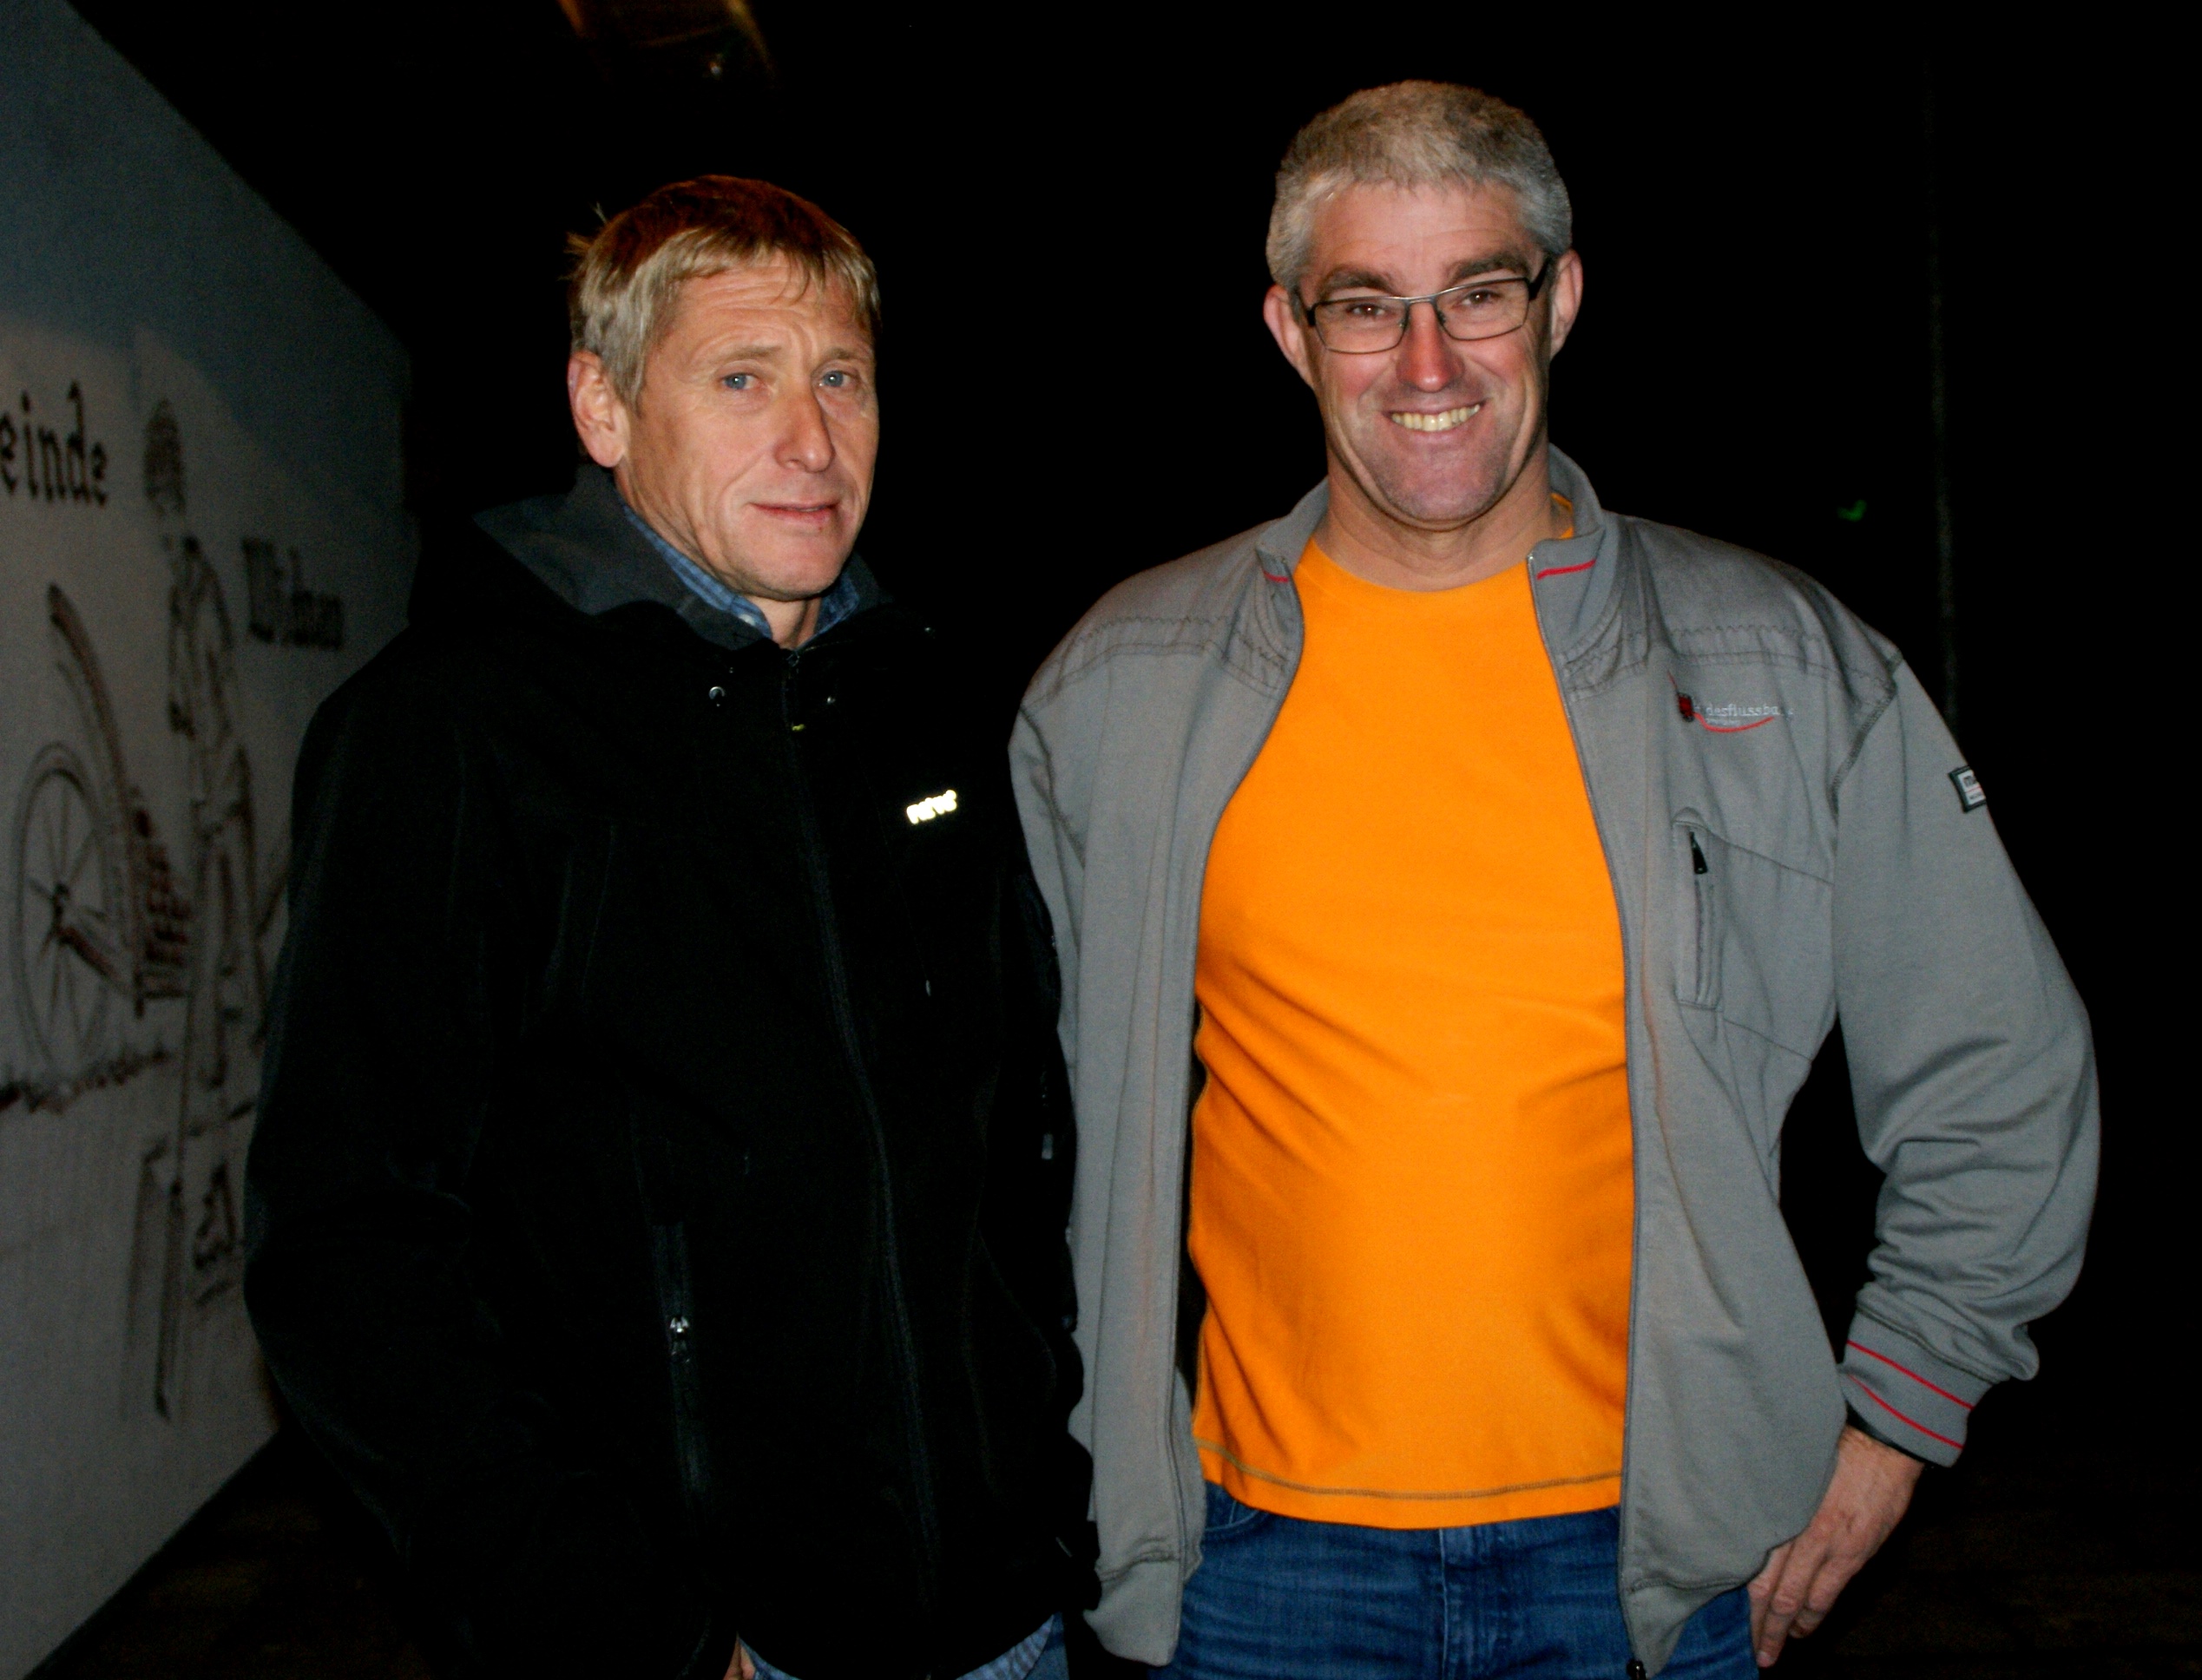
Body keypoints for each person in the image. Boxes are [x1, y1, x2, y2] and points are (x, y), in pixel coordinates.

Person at [1010, 84, 2099, 1678]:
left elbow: (2000, 1071)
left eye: (1479, 293)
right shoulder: (1125, 687)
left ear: (1562, 300)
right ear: (1290, 331)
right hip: (1254, 1573)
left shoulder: (1775, 665)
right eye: (1366, 305)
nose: (1427, 364)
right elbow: (985, 1140)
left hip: (1664, 1569)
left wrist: (1895, 1421)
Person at [246, 176, 1092, 1680]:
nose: (811, 440)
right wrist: (634, 1633)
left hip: (1008, 1625)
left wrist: (1051, 1501)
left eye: (842, 379)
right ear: (604, 406)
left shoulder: (931, 713)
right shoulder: (455, 736)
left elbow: (1022, 1150)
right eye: (742, 380)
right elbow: (349, 1255)